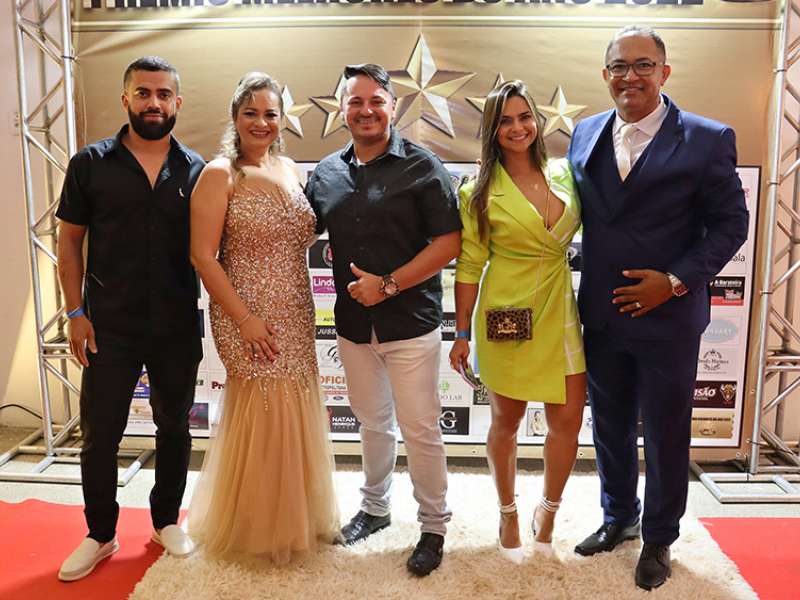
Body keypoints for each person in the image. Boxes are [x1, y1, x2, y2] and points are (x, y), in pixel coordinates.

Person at [567, 26, 748, 591]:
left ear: (664, 72)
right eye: (620, 66)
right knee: (609, 426)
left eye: (643, 65)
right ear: (606, 74)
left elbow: (731, 226)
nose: (631, 76)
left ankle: (659, 537)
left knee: (667, 433)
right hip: (601, 313)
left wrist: (673, 282)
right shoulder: (584, 131)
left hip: (669, 318)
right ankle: (619, 516)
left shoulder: (708, 138)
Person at [305, 63, 461, 576]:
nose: (366, 110)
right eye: (355, 101)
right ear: (342, 110)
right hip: (353, 327)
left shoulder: (423, 166)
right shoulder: (326, 173)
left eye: (376, 100)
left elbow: (449, 243)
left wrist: (388, 284)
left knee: (420, 429)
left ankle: (434, 526)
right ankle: (375, 508)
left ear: (393, 107)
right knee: (372, 422)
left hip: (410, 324)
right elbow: (297, 231)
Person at [56, 56, 205, 581]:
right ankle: (100, 534)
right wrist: (75, 312)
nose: (153, 102)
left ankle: (165, 522)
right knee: (100, 434)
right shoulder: (89, 164)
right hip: (108, 327)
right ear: (126, 99)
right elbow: (69, 244)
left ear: (177, 102)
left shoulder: (198, 170)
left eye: (163, 94)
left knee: (174, 427)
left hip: (176, 326)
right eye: (143, 93)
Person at [186, 72, 340, 561]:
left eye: (270, 113)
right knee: (264, 409)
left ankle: (297, 519)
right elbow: (202, 256)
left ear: (282, 119)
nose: (261, 122)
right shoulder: (219, 173)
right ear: (235, 117)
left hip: (295, 306)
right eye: (250, 112)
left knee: (294, 406)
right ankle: (259, 529)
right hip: (246, 311)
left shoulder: (290, 167)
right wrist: (245, 319)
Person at [450, 80, 586, 564]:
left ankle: (548, 510)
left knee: (567, 421)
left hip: (560, 310)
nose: (517, 127)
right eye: (505, 120)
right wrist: (461, 333)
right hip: (507, 313)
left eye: (524, 116)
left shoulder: (567, 173)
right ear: (492, 129)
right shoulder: (477, 192)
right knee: (505, 421)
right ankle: (507, 512)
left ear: (537, 121)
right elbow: (469, 264)